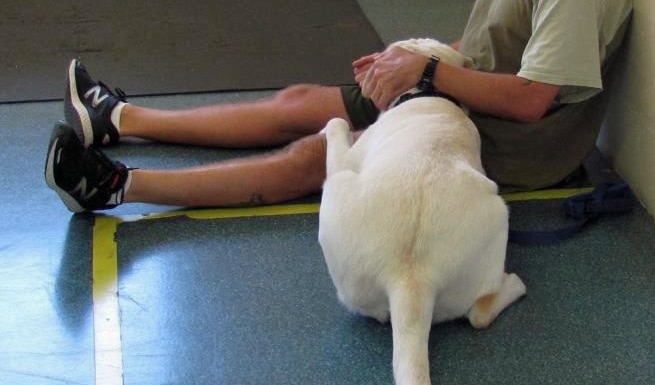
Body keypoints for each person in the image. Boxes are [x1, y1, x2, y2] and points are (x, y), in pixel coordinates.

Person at [45, 0, 633, 213]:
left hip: (517, 139)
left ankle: (117, 187)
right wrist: (411, 57)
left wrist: (426, 70)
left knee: (313, 156)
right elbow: (493, 45)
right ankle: (118, 119)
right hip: (463, 86)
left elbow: (533, 100)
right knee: (302, 100)